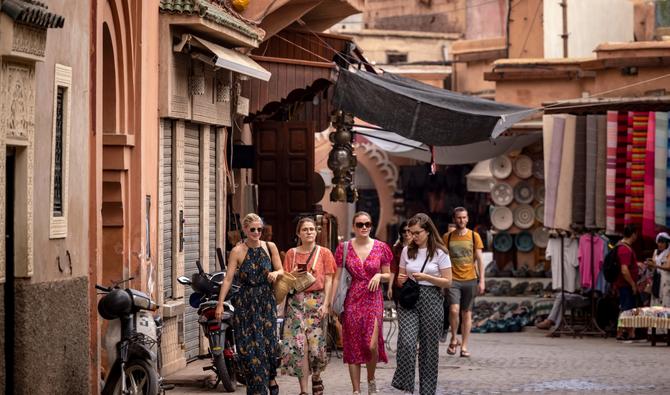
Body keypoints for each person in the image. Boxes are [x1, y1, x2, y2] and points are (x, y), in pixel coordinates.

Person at [214, 213, 284, 395]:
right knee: (249, 350)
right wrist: (220, 303)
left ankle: (270, 378)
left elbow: (281, 269)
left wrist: (276, 274)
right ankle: (258, 390)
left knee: (268, 346)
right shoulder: (237, 251)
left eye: (259, 229)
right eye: (252, 229)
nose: (256, 232)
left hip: (266, 302)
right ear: (245, 230)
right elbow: (228, 279)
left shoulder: (270, 247)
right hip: (245, 303)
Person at [331, 211, 393, 395]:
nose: (364, 227)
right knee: (352, 344)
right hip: (352, 298)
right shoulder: (344, 248)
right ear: (353, 227)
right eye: (360, 224)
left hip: (373, 298)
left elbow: (388, 274)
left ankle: (371, 380)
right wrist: (331, 302)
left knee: (370, 345)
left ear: (371, 226)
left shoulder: (381, 247)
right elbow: (336, 278)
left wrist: (379, 275)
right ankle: (356, 390)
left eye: (367, 224)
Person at [391, 213, 452, 395]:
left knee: (428, 349)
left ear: (428, 232)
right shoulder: (406, 250)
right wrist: (401, 280)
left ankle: (427, 391)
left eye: (417, 233)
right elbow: (400, 280)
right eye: (411, 232)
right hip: (409, 298)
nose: (413, 236)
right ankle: (406, 385)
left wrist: (427, 277)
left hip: (432, 299)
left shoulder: (440, 252)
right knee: (407, 342)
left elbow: (448, 282)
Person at [280, 217, 336, 395]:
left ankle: (317, 376)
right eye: (305, 229)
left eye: (312, 229)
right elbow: (285, 281)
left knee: (316, 347)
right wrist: (292, 273)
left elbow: (329, 279)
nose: (309, 232)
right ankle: (303, 390)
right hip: (296, 302)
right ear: (299, 233)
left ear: (316, 232)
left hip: (317, 301)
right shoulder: (291, 253)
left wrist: (327, 303)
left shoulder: (325, 252)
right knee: (299, 346)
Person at [441, 207, 484, 357]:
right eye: (459, 218)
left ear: (468, 219)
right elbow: (442, 259)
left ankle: (464, 346)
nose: (462, 220)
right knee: (453, 310)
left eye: (464, 217)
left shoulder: (474, 236)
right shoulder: (448, 237)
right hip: (453, 280)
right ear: (454, 219)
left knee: (467, 313)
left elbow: (479, 259)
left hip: (471, 279)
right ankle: (453, 337)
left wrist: (482, 281)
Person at [614, 224, 640, 341]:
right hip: (625, 284)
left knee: (627, 308)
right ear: (633, 234)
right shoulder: (624, 249)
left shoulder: (623, 247)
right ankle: (620, 332)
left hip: (624, 284)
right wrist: (632, 284)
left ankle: (630, 333)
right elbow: (624, 270)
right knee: (626, 308)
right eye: (636, 234)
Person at [389, 221, 412, 303]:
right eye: (404, 231)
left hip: (414, 284)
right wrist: (390, 287)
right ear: (401, 233)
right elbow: (393, 268)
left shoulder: (419, 247)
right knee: (400, 309)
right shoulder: (397, 248)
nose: (406, 233)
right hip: (399, 284)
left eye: (409, 230)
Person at [646, 231, 670, 307]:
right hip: (656, 280)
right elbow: (653, 267)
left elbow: (668, 267)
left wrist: (656, 265)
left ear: (667, 243)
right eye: (659, 242)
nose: (660, 244)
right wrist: (649, 265)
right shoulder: (655, 252)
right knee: (655, 303)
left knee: (664, 302)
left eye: (662, 242)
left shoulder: (669, 253)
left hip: (666, 281)